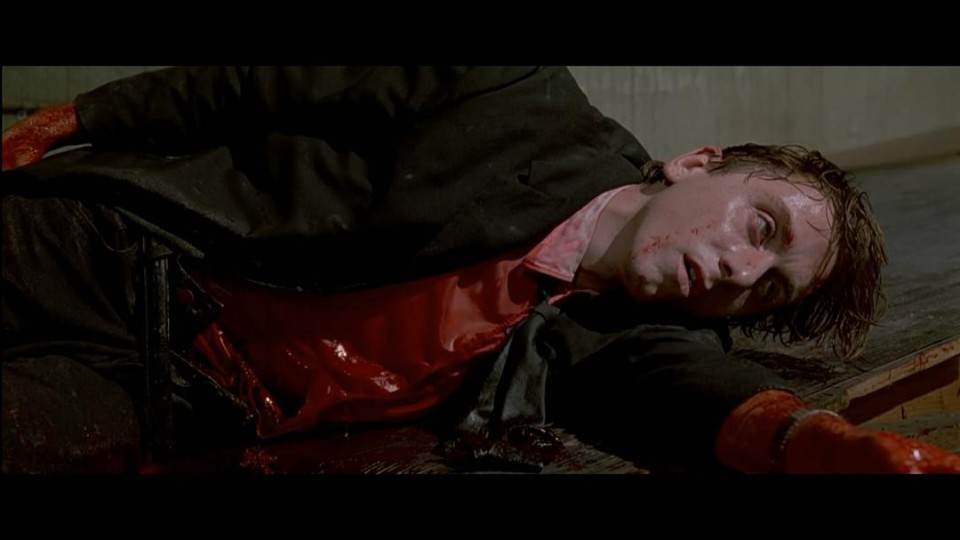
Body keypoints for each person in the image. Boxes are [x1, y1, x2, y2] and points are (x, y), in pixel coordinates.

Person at [2, 66, 958, 474]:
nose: (738, 271)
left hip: (181, 392)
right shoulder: (515, 94)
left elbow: (690, 395)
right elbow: (276, 82)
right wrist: (77, 118)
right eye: (761, 225)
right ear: (695, 162)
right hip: (119, 251)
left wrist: (813, 445)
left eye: (767, 287)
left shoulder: (636, 335)